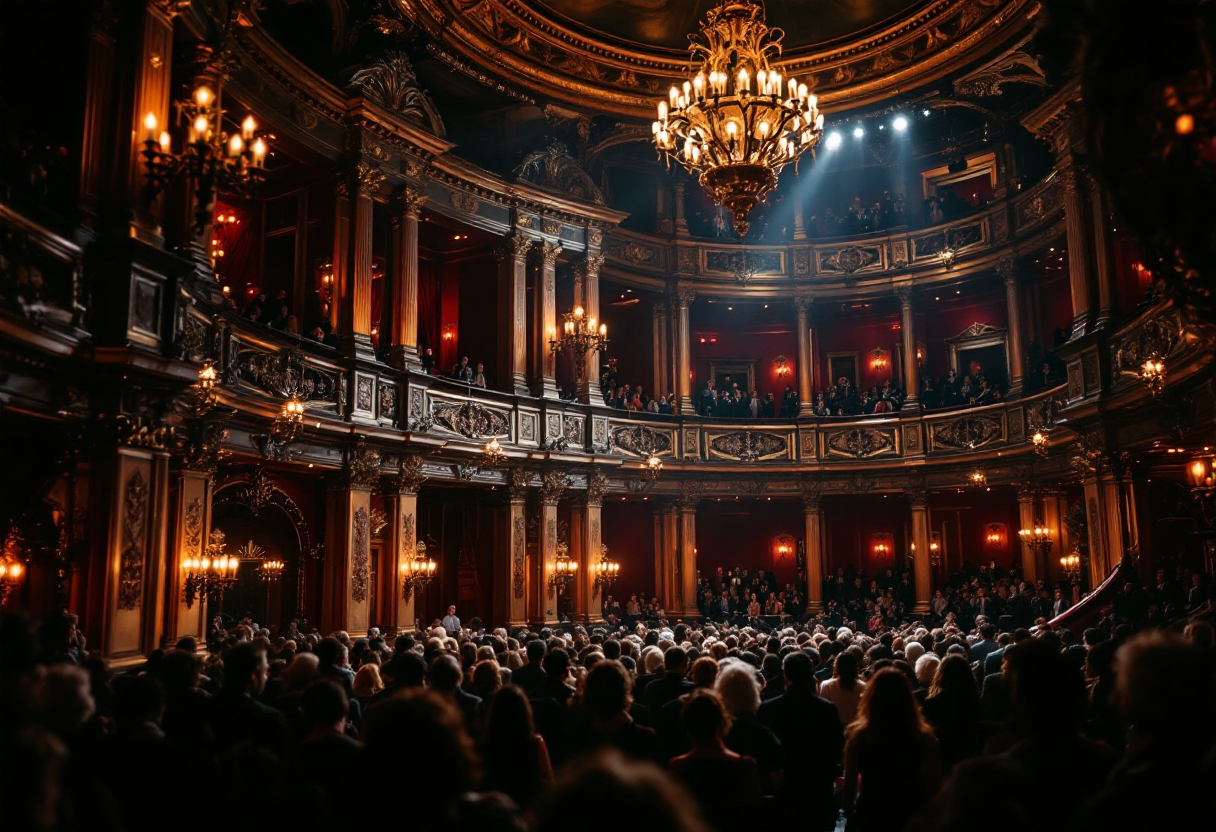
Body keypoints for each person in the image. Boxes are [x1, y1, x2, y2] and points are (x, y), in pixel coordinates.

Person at [841, 668, 940, 832]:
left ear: (871, 699)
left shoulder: (859, 737)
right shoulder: (923, 737)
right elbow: (935, 780)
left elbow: (850, 780)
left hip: (872, 810)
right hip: (911, 812)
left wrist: (850, 810)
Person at [757, 651, 843, 832]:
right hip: (817, 790)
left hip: (784, 792)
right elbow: (836, 748)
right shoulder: (827, 709)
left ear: (785, 675)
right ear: (810, 674)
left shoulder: (768, 709)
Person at [667, 690, 763, 832]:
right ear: (721, 722)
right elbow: (756, 815)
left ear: (687, 726)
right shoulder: (746, 766)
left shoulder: (678, 767)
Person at [480, 684, 553, 808]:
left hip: (494, 808)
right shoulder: (535, 743)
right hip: (527, 805)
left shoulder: (485, 744)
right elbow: (547, 778)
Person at [818, 650, 866, 726]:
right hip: (855, 728)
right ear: (855, 667)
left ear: (836, 667)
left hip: (833, 729)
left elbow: (822, 712)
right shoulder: (863, 686)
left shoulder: (826, 685)